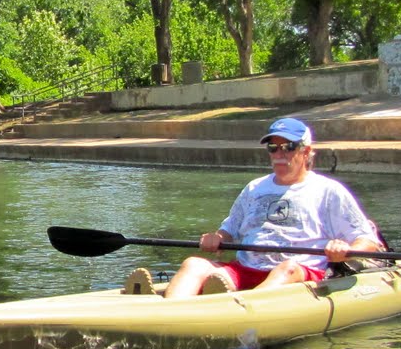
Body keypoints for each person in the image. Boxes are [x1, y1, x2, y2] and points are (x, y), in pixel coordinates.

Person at [161, 116, 385, 298]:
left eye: (288, 147)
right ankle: (167, 317)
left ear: (306, 152)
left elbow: (367, 241)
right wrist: (217, 237)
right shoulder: (254, 188)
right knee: (193, 264)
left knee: (286, 268)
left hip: (299, 274)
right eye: (273, 147)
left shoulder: (328, 191)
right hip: (246, 269)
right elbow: (229, 231)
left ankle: (238, 314)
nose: (279, 154)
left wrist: (344, 250)